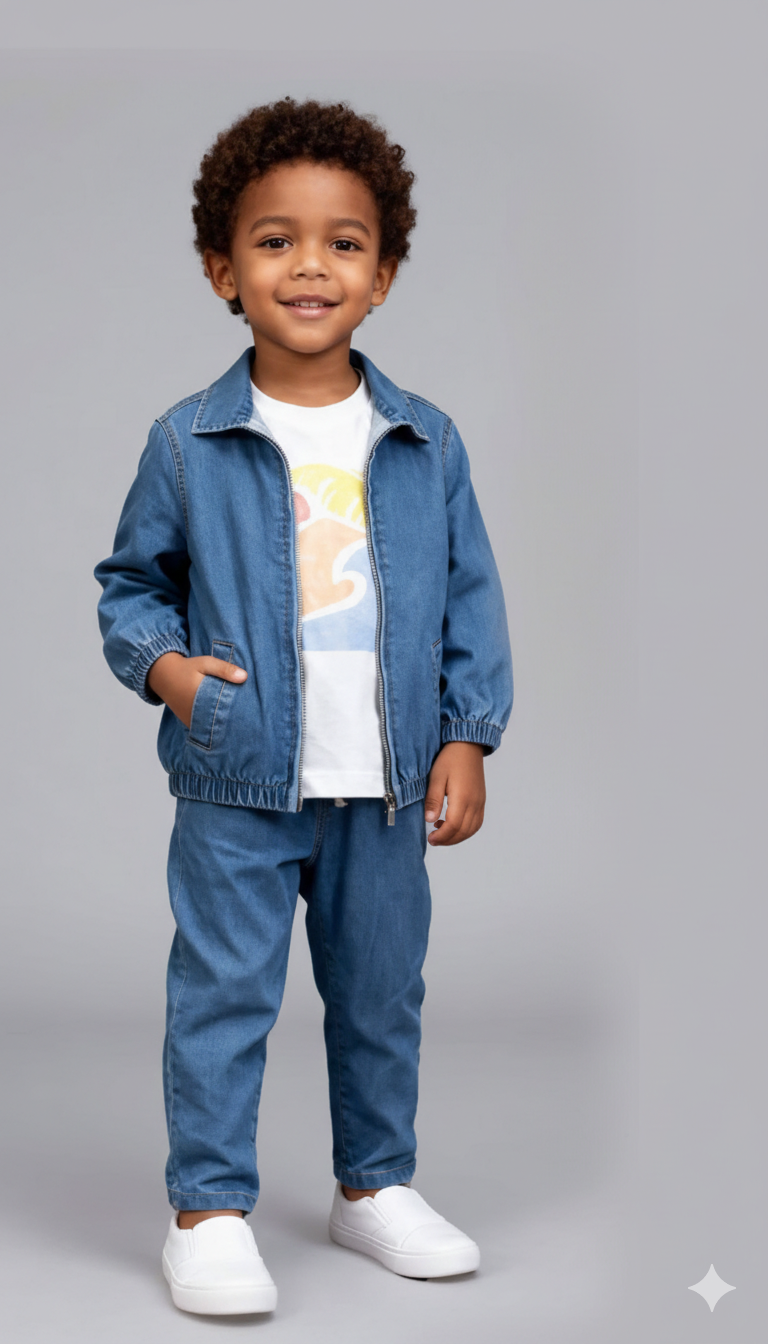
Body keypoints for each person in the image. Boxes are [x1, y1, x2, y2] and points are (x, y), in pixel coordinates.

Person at [94, 96, 513, 1316]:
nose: (310, 266)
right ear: (222, 270)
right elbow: (130, 586)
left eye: (343, 242)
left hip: (382, 785)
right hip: (237, 777)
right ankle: (208, 1209)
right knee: (222, 997)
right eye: (275, 241)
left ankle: (373, 1186)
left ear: (383, 275)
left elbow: (472, 602)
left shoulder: (426, 442)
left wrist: (467, 734)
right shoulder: (188, 442)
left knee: (381, 996)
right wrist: (168, 672)